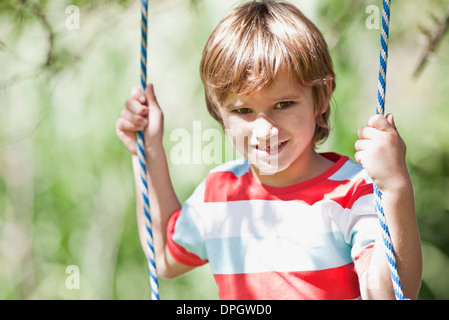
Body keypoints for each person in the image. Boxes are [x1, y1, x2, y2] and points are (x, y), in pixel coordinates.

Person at [115, 0, 422, 299]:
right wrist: (148, 149)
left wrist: (395, 187)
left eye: (283, 104)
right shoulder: (219, 193)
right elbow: (165, 257)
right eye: (243, 111)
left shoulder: (353, 190)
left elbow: (388, 296)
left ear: (323, 95)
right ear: (217, 110)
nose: (265, 130)